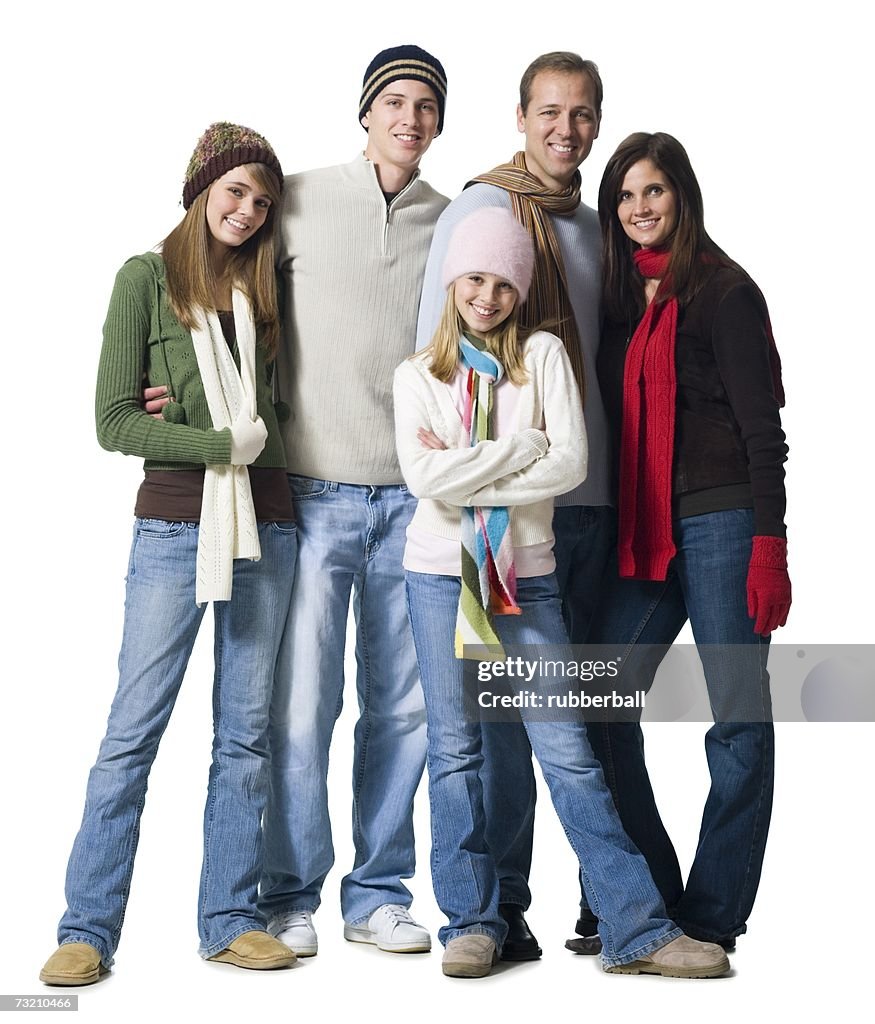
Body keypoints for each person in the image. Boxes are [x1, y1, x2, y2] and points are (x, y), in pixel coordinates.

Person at [394, 206, 730, 980]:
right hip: (440, 576)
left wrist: (472, 464)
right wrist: (518, 447)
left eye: (503, 284)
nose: (487, 296)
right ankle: (471, 923)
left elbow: (570, 464)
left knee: (568, 753)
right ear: (453, 284)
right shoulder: (417, 375)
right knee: (455, 752)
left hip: (529, 576)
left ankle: (636, 928)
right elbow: (422, 481)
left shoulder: (542, 355)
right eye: (474, 279)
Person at [39, 123, 297, 985]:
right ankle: (86, 928)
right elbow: (115, 421)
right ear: (200, 191)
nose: (248, 210)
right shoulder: (145, 280)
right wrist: (209, 441)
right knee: (131, 732)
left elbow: (281, 418)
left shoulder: (264, 293)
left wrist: (197, 429)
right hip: (174, 528)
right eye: (235, 192)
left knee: (246, 736)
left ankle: (229, 917)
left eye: (262, 200)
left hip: (268, 525)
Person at [416, 51, 611, 958]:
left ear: (594, 123)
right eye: (547, 111)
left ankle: (610, 905)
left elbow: (581, 398)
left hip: (588, 505)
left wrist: (541, 467)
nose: (562, 129)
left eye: (579, 114)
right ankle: (500, 912)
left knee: (584, 727)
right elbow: (442, 374)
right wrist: (504, 462)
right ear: (522, 115)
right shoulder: (481, 210)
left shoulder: (599, 227)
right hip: (492, 532)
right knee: (495, 735)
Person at [255, 45, 449, 957]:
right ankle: (289, 894)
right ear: (366, 113)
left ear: (438, 123)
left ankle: (376, 894)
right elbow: (218, 283)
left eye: (425, 106)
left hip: (414, 500)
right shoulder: (293, 198)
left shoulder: (450, 222)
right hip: (313, 492)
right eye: (394, 103)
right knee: (300, 707)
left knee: (402, 710)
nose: (409, 118)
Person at [581, 131, 790, 952]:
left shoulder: (723, 291)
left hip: (721, 521)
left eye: (653, 192)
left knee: (737, 719)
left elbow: (762, 432)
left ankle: (712, 911)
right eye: (625, 196)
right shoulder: (620, 301)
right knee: (597, 701)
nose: (639, 209)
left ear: (682, 195)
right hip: (641, 528)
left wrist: (768, 542)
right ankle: (645, 896)